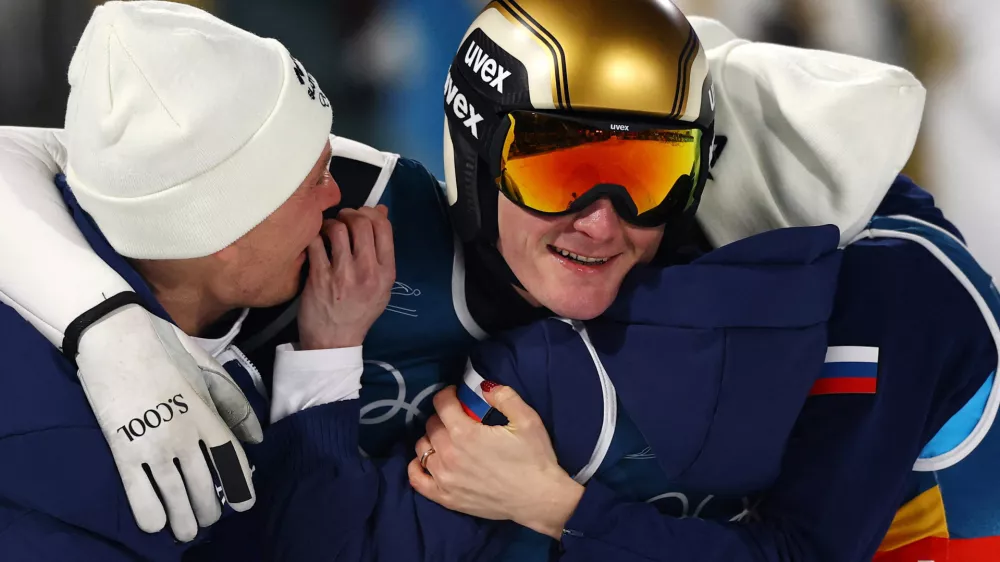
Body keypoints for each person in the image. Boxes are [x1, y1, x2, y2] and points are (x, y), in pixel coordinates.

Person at [1, 1, 998, 561]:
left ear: (699, 170)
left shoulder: (880, 293)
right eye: (559, 169)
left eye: (650, 175)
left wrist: (562, 507)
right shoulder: (359, 215)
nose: (601, 221)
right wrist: (106, 322)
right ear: (472, 163)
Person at [0, 2, 395, 559]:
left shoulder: (146, 260)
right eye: (316, 179)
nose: (337, 197)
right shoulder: (71, 461)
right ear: (224, 228)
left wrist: (327, 353)